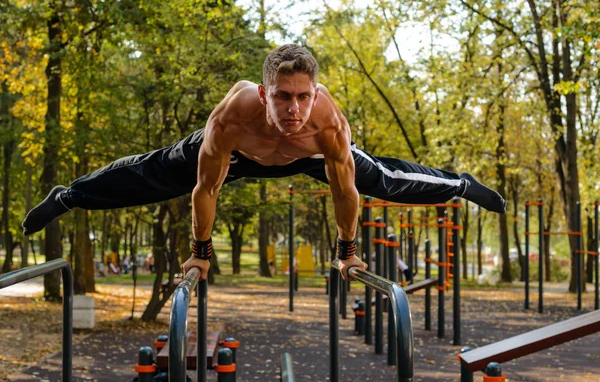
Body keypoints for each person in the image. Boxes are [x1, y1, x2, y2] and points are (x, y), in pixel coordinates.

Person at [21, 44, 505, 281]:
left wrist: (347, 250)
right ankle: (68, 196)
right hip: (241, 152)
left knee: (380, 177)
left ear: (315, 93)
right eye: (282, 97)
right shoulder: (231, 117)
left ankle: (458, 184)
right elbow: (205, 190)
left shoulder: (327, 124)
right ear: (262, 92)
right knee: (153, 174)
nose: (294, 109)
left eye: (303, 97)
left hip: (307, 156)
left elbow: (344, 192)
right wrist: (201, 252)